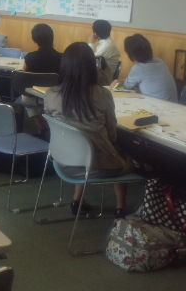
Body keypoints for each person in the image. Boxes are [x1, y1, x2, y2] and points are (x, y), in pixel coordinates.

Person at [44, 42, 132, 218]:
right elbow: (112, 135)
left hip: (63, 162)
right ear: (92, 66)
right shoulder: (103, 94)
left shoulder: (51, 94)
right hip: (98, 166)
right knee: (125, 155)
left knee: (82, 145)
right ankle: (120, 207)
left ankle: (77, 200)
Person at [119, 34, 177, 102]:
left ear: (131, 54)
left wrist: (118, 82)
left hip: (158, 105)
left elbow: (126, 86)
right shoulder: (160, 61)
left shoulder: (139, 68)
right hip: (174, 105)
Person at [88, 19, 120, 85]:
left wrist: (91, 43)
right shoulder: (106, 42)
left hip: (104, 78)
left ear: (95, 33)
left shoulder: (106, 45)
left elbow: (90, 59)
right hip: (101, 74)